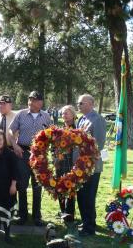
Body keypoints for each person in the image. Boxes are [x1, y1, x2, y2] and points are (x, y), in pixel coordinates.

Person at [8, 91, 51, 226]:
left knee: (37, 185)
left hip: (39, 154)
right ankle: (23, 215)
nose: (30, 102)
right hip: (22, 152)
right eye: (29, 100)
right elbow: (10, 131)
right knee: (21, 184)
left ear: (40, 103)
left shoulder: (46, 116)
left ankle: (37, 216)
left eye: (34, 100)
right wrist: (14, 145)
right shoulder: (21, 114)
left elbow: (51, 134)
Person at [76, 94, 106, 236]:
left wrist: (86, 161)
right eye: (78, 103)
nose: (78, 105)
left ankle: (90, 227)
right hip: (80, 165)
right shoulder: (81, 119)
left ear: (90, 104)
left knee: (88, 196)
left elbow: (99, 143)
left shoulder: (97, 119)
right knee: (81, 195)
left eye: (81, 103)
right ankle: (86, 221)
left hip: (91, 166)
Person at [55, 105, 77, 221]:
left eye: (66, 113)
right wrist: (55, 158)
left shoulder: (77, 128)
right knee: (60, 186)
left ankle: (69, 214)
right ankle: (63, 211)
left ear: (73, 114)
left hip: (70, 162)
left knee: (70, 188)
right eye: (63, 113)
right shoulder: (61, 128)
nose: (64, 115)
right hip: (60, 162)